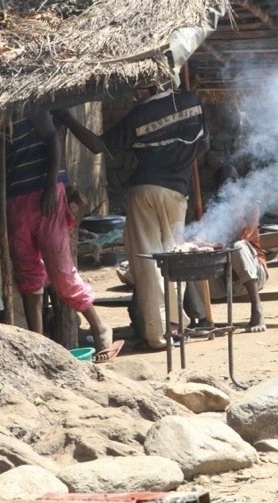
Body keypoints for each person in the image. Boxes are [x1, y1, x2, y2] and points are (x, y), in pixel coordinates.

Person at [56, 83, 209, 350]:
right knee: (174, 257)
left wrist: (67, 118)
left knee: (148, 262)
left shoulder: (140, 114)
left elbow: (98, 145)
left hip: (144, 190)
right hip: (177, 193)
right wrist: (181, 164)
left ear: (147, 86)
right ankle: (176, 325)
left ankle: (158, 333)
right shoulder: (192, 102)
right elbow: (204, 144)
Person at [0, 111, 121, 362]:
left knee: (61, 272)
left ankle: (99, 327)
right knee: (27, 274)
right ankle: (37, 341)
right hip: (14, 198)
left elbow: (52, 138)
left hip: (44, 195)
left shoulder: (29, 105)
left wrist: (50, 186)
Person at [184, 165, 268, 332]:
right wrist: (197, 242)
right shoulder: (209, 210)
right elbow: (199, 239)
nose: (229, 187)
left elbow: (240, 239)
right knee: (188, 260)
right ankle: (203, 318)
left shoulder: (249, 206)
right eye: (223, 183)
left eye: (233, 182)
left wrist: (211, 244)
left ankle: (257, 309)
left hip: (251, 276)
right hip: (221, 281)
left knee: (238, 247)